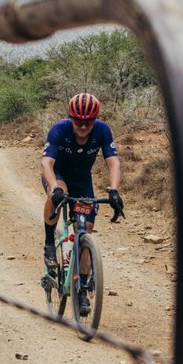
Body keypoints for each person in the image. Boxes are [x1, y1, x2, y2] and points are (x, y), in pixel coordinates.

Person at [41, 93, 124, 316]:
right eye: (78, 121)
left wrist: (114, 190)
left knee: (85, 230)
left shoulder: (102, 130)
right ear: (71, 118)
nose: (83, 126)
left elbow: (113, 161)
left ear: (95, 120)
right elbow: (47, 162)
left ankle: (82, 289)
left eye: (88, 122)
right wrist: (55, 188)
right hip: (57, 174)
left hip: (82, 181)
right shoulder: (60, 129)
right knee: (55, 194)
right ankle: (50, 242)